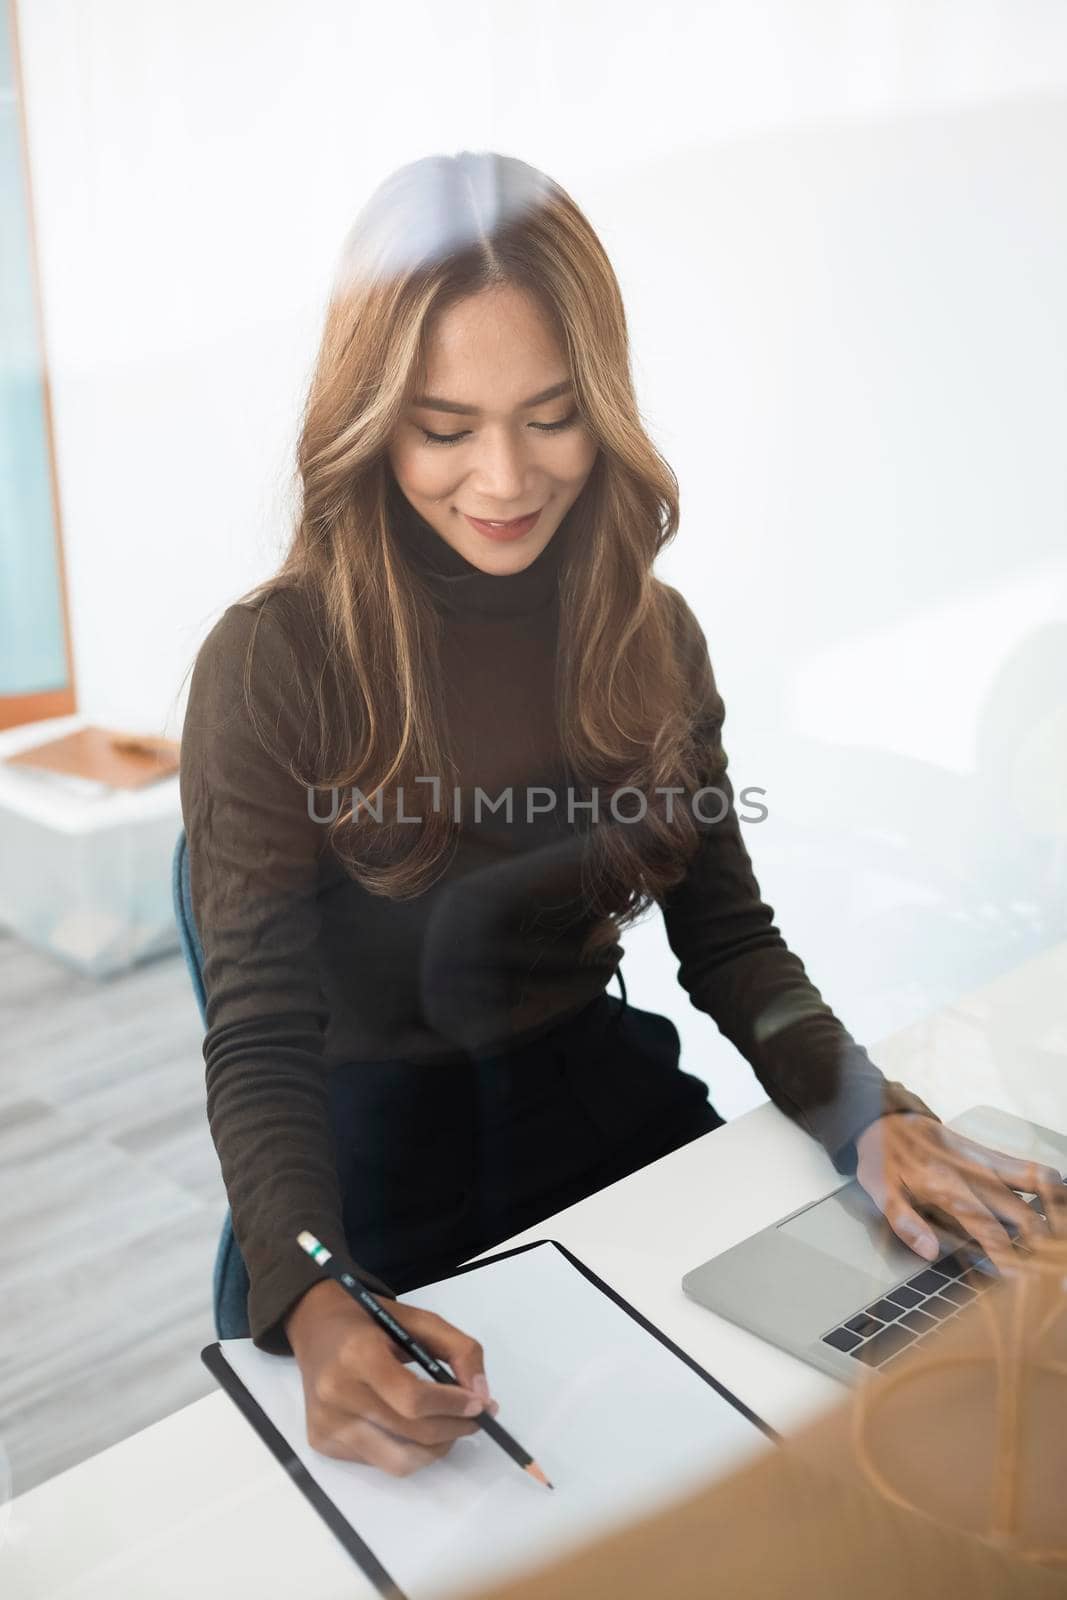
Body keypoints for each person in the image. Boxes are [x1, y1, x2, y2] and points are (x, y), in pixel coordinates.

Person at [178, 151, 1062, 1481]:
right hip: (368, 1192)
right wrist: (313, 1292)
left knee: (830, 1447)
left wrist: (873, 1113)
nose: (503, 478)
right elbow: (254, 1039)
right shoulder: (271, 662)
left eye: (549, 416)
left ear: (604, 406)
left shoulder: (650, 635)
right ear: (371, 420)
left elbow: (733, 946)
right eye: (443, 425)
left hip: (613, 1129)